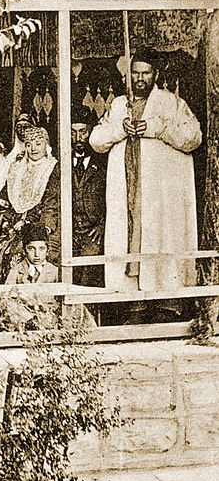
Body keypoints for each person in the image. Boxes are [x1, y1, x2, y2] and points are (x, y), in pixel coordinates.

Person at [90, 47, 202, 297]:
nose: (140, 79)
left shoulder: (171, 102)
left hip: (157, 190)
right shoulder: (119, 105)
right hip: (128, 187)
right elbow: (96, 140)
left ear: (156, 74)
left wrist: (158, 128)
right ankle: (134, 303)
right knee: (129, 238)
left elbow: (194, 137)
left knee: (160, 239)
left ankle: (167, 302)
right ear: (128, 75)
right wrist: (120, 128)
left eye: (146, 73)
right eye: (135, 73)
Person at [0, 126, 59, 279]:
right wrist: (1, 221)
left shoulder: (53, 168)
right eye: (29, 144)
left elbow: (51, 203)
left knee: (18, 252)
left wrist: (38, 227)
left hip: (38, 224)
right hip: (12, 222)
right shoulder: (17, 167)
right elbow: (4, 198)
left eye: (38, 143)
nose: (33, 149)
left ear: (46, 146)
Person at [71, 106, 107, 286]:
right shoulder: (62, 162)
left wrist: (103, 225)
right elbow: (52, 200)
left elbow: (115, 199)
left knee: (89, 267)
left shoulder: (104, 163)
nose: (78, 138)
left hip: (93, 232)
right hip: (69, 231)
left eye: (83, 132)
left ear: (91, 132)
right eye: (73, 133)